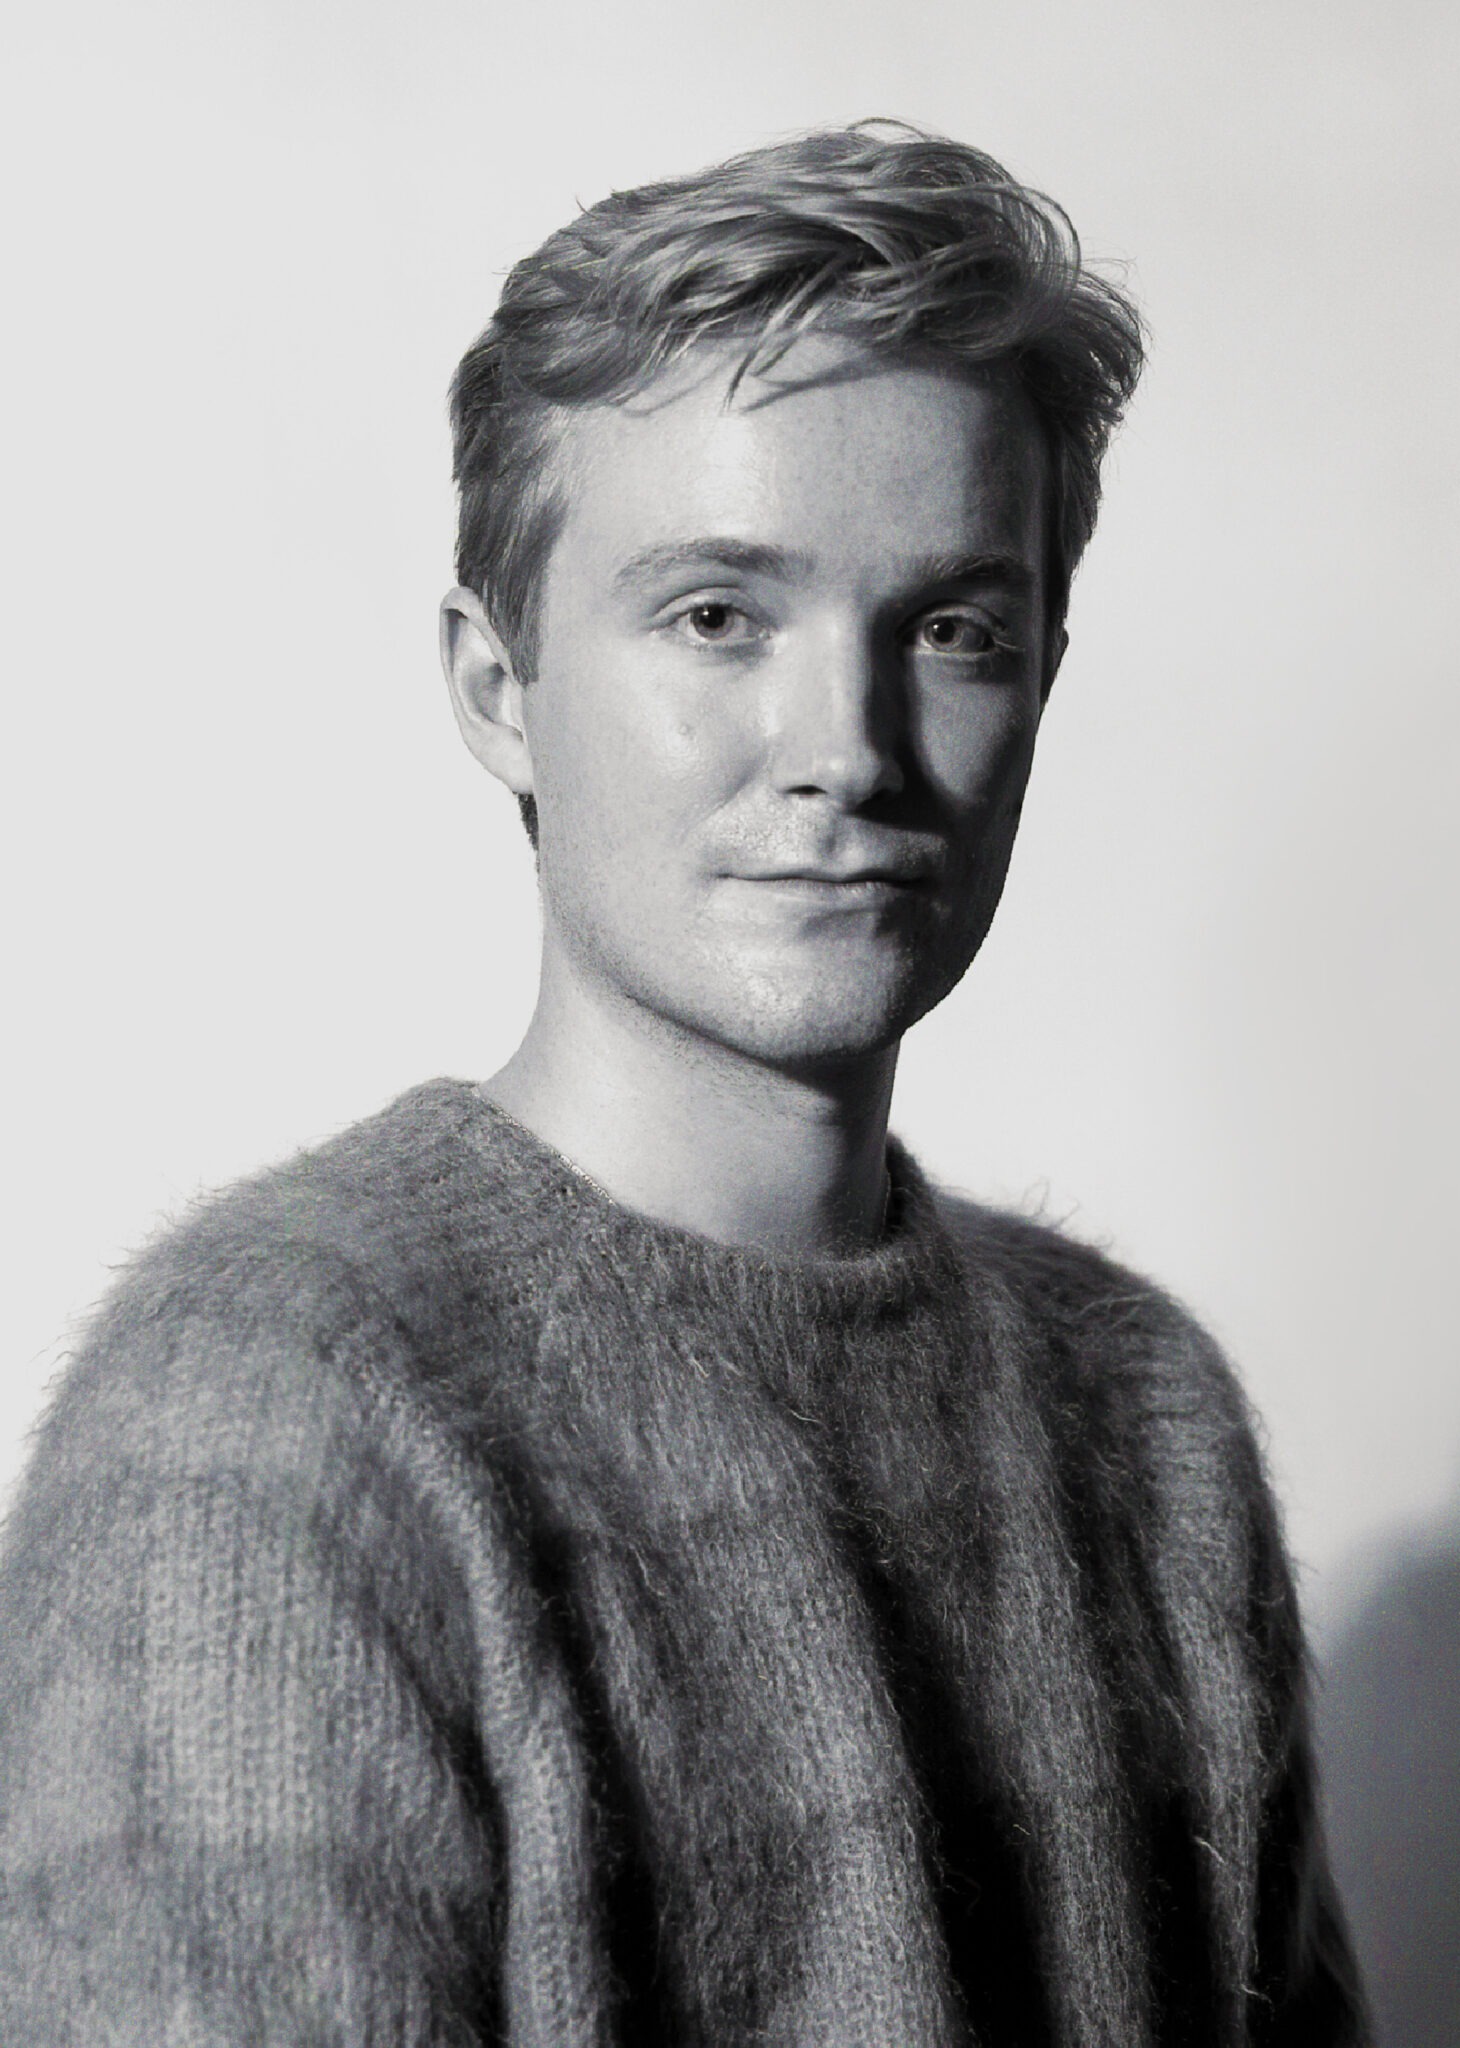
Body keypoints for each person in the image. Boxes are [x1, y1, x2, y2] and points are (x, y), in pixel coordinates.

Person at [0, 124, 1369, 2044]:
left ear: (1045, 676)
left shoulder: (1150, 1420)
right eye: (719, 614)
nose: (848, 750)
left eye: (952, 630)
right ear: (496, 687)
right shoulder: (281, 1416)